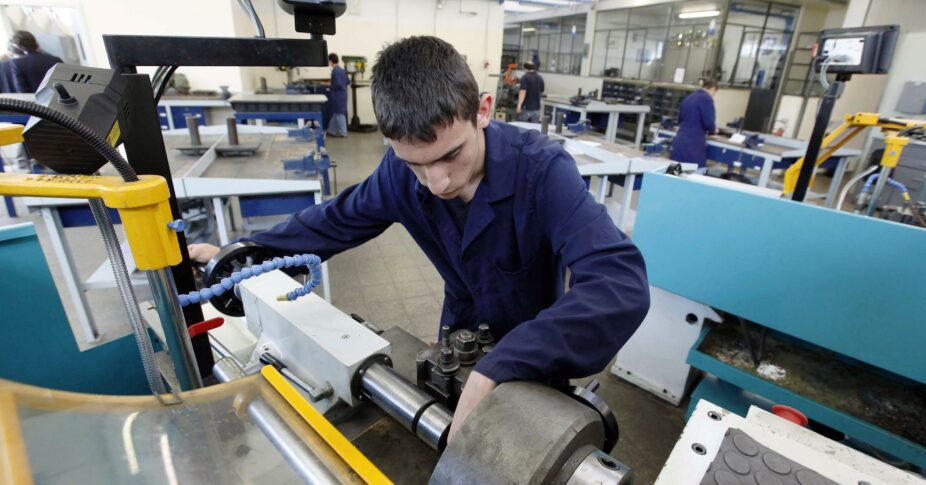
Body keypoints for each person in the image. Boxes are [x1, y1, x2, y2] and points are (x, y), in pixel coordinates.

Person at [188, 36, 649, 441]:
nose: (436, 183)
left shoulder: (544, 173)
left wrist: (499, 366)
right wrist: (252, 255)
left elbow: (619, 286)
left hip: (539, 353)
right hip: (456, 343)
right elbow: (334, 220)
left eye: (451, 155)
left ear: (483, 110)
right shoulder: (399, 174)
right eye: (415, 164)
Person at [670, 79, 718, 166]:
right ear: (713, 89)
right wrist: (713, 130)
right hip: (694, 143)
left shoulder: (688, 98)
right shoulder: (707, 99)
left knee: (676, 171)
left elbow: (680, 119)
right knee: (692, 173)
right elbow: (709, 122)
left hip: (680, 139)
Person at [327, 53, 349, 137]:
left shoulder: (335, 71)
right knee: (336, 113)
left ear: (331, 61)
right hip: (343, 95)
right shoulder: (342, 70)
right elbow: (347, 81)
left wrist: (330, 85)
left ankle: (343, 132)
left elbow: (337, 84)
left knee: (339, 114)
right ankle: (331, 131)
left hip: (337, 96)